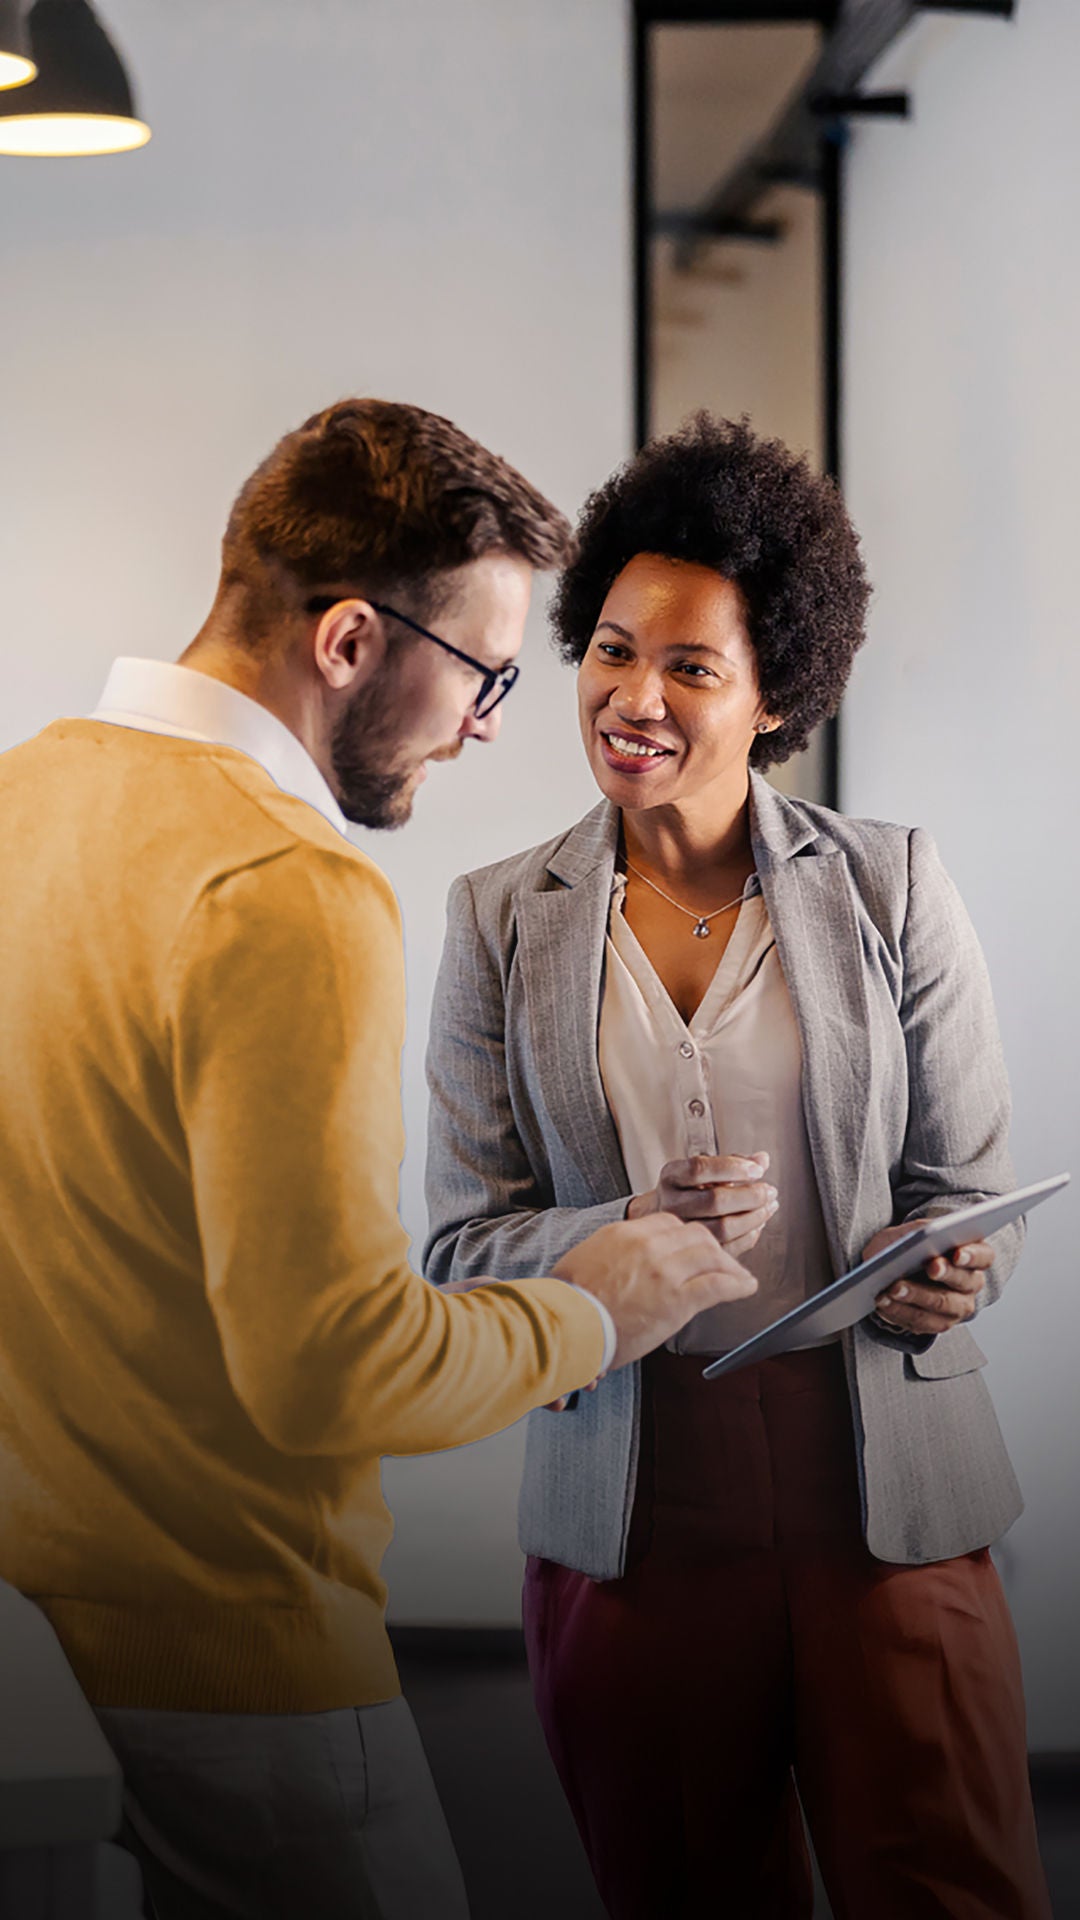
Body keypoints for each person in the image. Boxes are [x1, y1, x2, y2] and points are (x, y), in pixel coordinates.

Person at [0, 399, 757, 1920]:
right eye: (480, 673)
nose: (484, 724)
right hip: (243, 1675)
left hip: (34, 1629)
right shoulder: (290, 887)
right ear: (349, 642)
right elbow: (332, 1366)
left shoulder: (25, 799)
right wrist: (600, 1303)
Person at [424, 414, 1052, 1919]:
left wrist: (961, 1263)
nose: (635, 698)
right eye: (613, 649)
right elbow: (460, 1250)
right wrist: (622, 1230)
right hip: (633, 1499)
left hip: (884, 1484)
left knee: (950, 1883)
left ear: (778, 701)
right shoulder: (502, 919)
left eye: (691, 668)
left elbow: (968, 1186)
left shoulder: (892, 884)